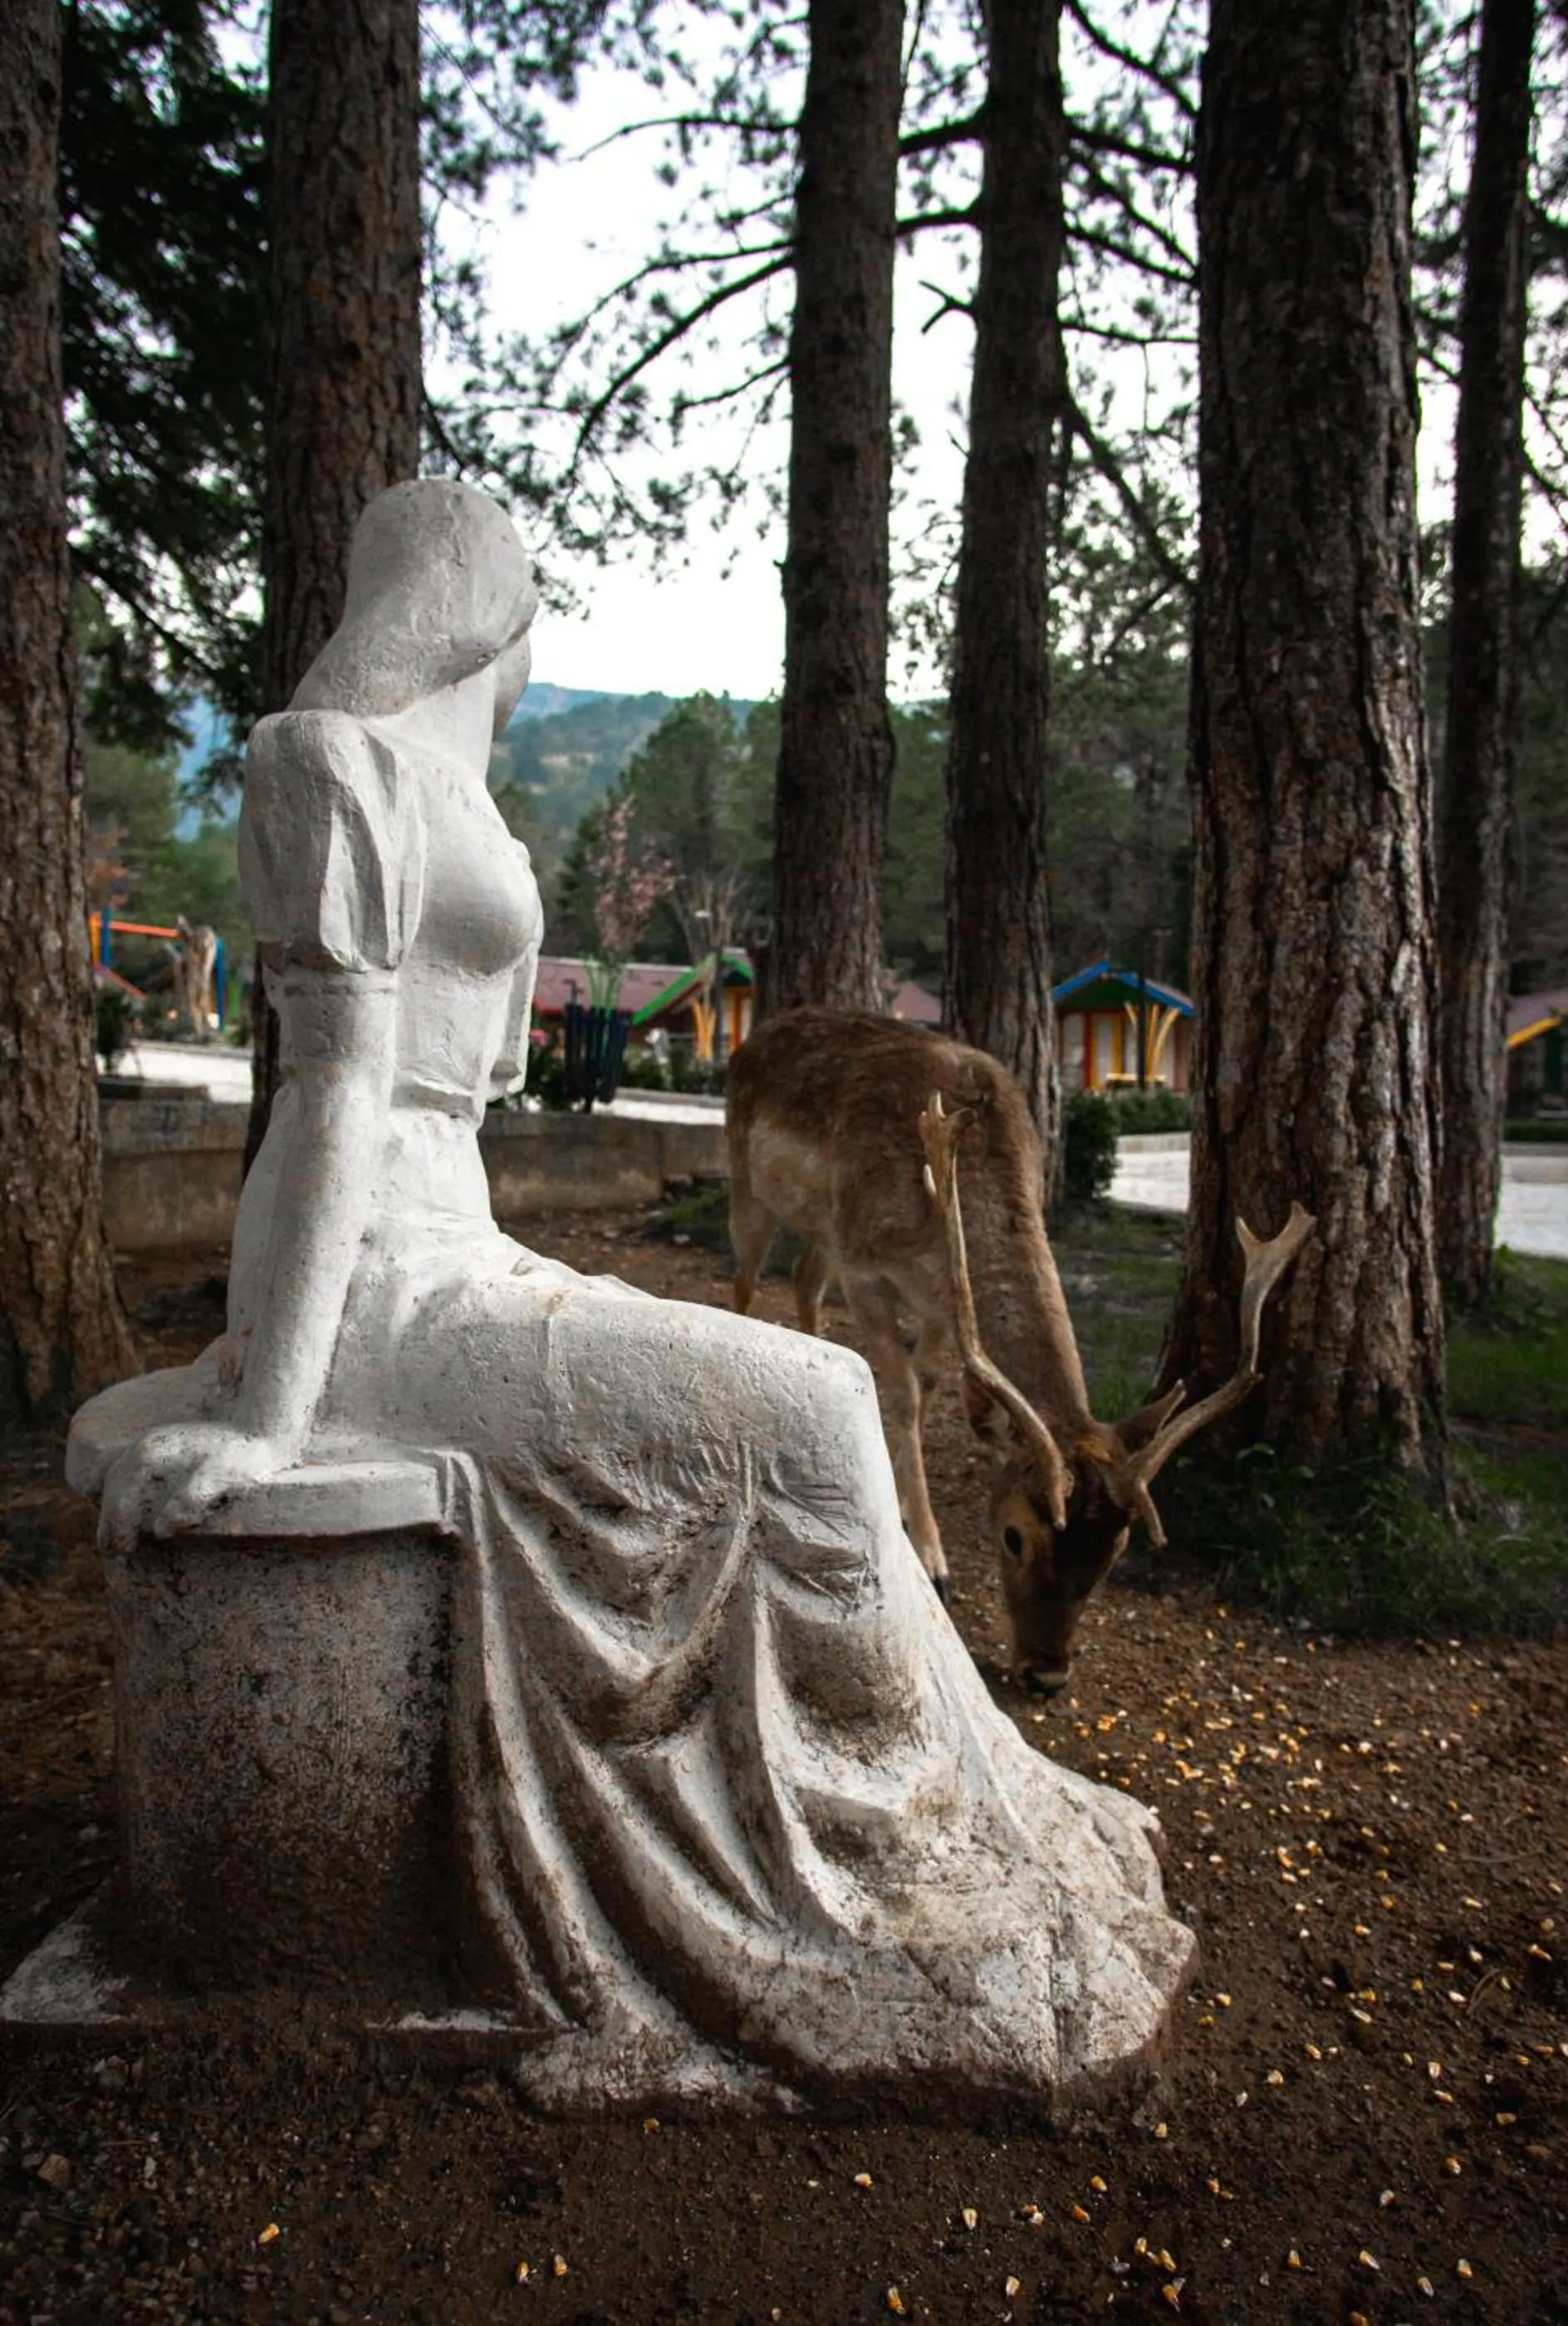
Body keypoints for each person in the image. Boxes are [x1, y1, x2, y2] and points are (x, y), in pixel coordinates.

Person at [83, 480, 1193, 2112]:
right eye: (505, 579)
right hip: (374, 1274)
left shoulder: (455, 788)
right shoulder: (323, 763)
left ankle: (929, 1825)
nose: (525, 620)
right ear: (461, 591)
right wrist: (267, 1408)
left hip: (461, 1245)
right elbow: (327, 1098)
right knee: (817, 1402)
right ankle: (862, 1879)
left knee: (789, 1400)